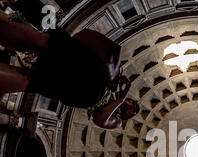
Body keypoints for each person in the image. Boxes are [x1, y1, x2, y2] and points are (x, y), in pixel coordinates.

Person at [0, 10, 138, 129]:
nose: (130, 106)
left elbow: (100, 119)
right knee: (46, 43)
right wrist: (118, 81)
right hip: (89, 74)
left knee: (34, 80)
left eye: (132, 111)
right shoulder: (116, 91)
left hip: (85, 95)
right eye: (133, 104)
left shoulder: (118, 121)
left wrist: (121, 99)